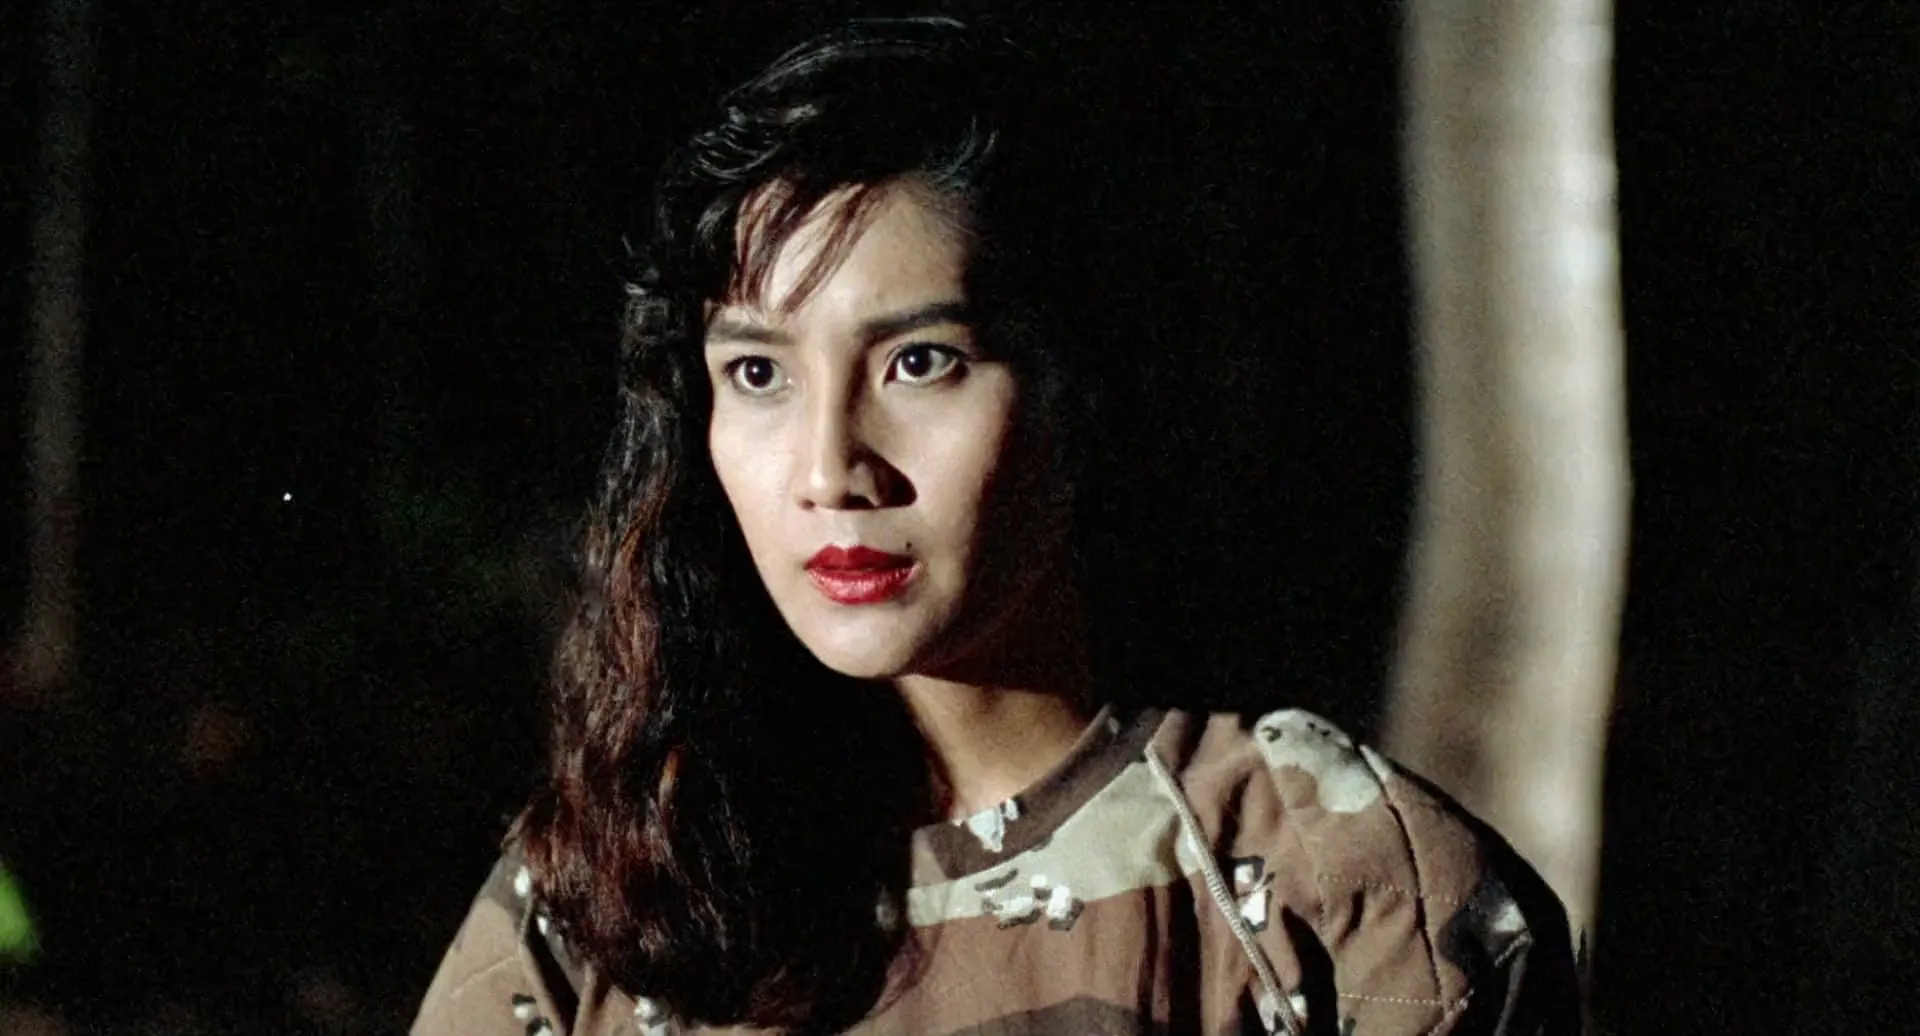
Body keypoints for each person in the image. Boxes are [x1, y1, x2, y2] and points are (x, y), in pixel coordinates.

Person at [410, 16, 1580, 1036]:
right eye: (759, 373)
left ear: (1084, 387)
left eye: (920, 362)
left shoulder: (1338, 891)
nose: (829, 469)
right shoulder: (620, 890)